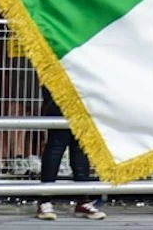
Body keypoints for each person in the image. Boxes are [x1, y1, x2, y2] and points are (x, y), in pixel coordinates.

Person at [34, 86, 104, 221]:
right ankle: (45, 200)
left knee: (79, 145)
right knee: (57, 143)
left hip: (82, 88)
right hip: (60, 86)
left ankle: (83, 200)